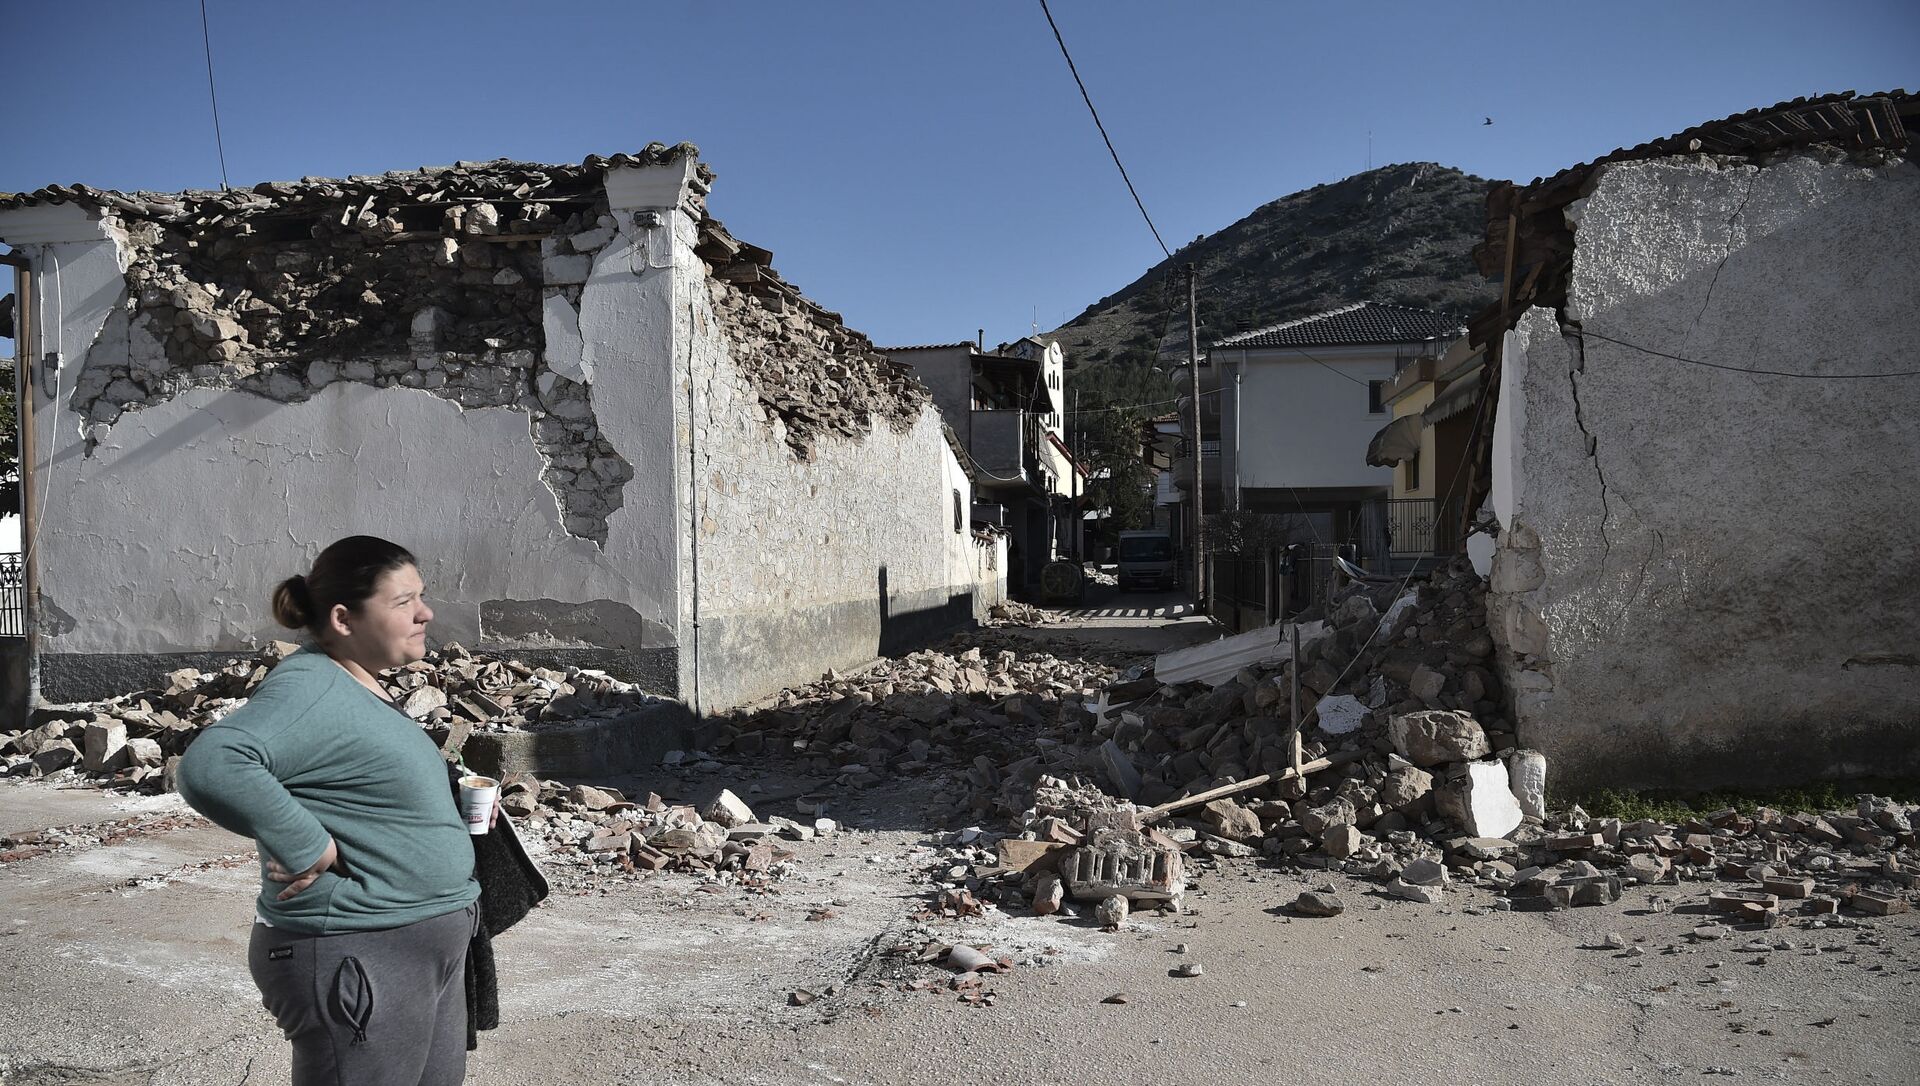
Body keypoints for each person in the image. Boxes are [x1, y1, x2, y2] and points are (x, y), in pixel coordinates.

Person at [177, 535, 480, 1086]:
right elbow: (211, 765)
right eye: (402, 601)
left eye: (422, 596)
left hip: (412, 946)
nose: (425, 613)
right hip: (356, 950)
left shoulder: (355, 686)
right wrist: (305, 843)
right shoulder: (310, 686)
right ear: (344, 618)